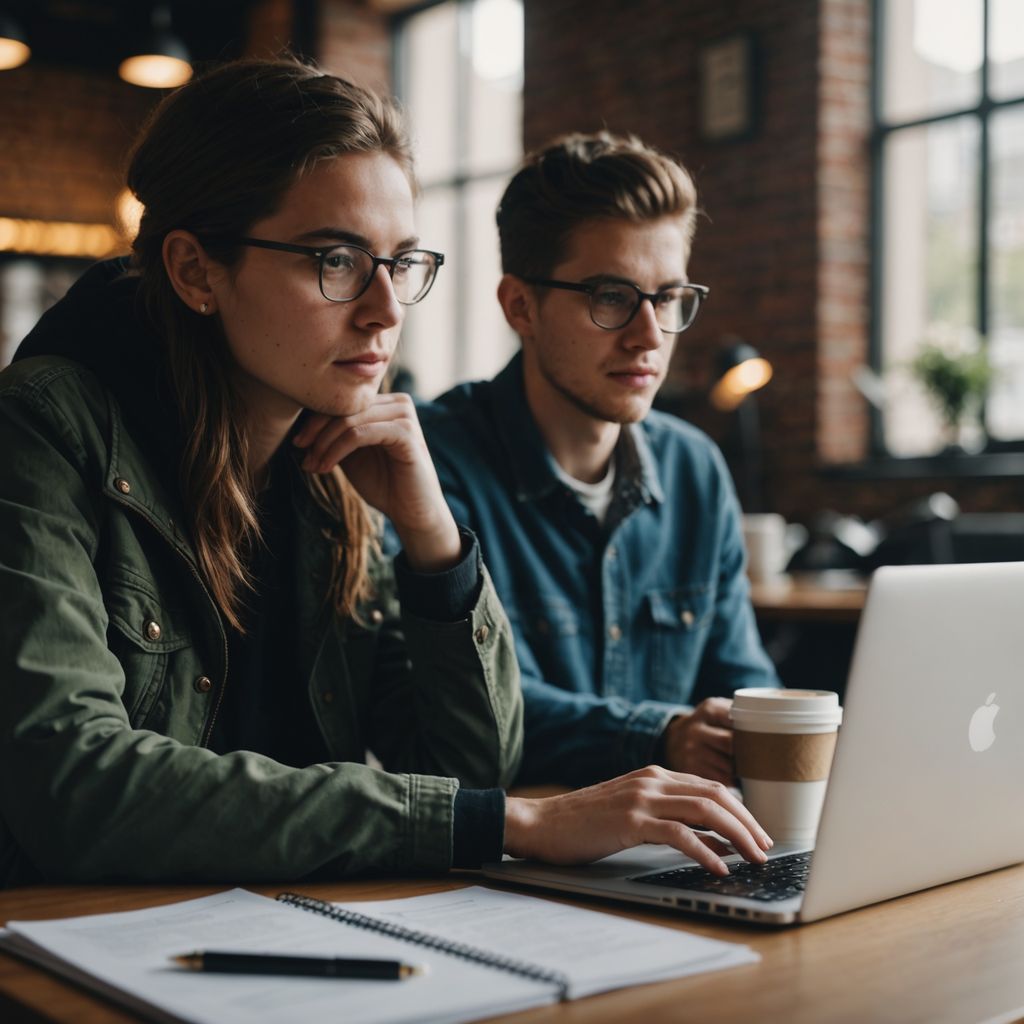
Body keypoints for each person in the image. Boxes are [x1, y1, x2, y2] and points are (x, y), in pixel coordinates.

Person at [0, 61, 771, 888]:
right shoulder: (45, 428)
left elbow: (471, 763)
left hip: (288, 929)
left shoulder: (342, 465)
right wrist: (512, 823)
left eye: (401, 263)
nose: (385, 309)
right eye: (335, 260)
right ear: (196, 271)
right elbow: (73, 786)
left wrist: (434, 538)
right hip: (70, 947)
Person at [417, 131, 780, 789]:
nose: (649, 337)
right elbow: (478, 715)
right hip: (508, 858)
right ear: (520, 306)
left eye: (667, 298)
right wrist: (664, 737)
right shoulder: (434, 466)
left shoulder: (695, 469)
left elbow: (744, 683)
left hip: (678, 851)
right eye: (612, 297)